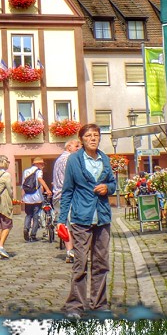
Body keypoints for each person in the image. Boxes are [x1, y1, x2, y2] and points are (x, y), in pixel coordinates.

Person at [58, 123, 119, 314]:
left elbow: (112, 183)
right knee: (81, 263)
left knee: (101, 263)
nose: (92, 138)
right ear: (82, 140)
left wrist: (107, 188)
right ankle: (75, 304)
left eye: (96, 135)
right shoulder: (74, 160)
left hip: (102, 217)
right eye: (88, 136)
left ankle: (99, 304)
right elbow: (67, 191)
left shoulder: (105, 159)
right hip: (81, 218)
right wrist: (61, 220)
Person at [52, 138, 82, 262]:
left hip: (57, 195)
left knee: (65, 224)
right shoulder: (69, 159)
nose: (79, 148)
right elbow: (72, 179)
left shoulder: (59, 159)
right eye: (77, 146)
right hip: (67, 195)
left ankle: (69, 250)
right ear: (69, 147)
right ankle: (72, 251)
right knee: (72, 224)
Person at [20, 156, 52, 242]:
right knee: (36, 216)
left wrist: (22, 196)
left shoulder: (26, 171)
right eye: (42, 164)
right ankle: (33, 235)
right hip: (36, 197)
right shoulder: (38, 171)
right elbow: (40, 180)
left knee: (28, 214)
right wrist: (47, 189)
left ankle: (26, 228)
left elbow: (23, 184)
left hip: (27, 197)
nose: (43, 166)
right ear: (38, 164)